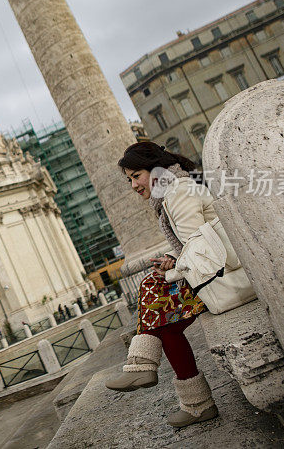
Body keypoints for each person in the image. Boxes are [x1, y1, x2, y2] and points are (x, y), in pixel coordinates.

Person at [105, 141, 218, 428]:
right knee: (160, 311)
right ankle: (185, 397)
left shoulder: (177, 192)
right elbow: (190, 244)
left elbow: (198, 247)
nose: (132, 185)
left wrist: (173, 265)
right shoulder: (172, 190)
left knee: (154, 294)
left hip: (221, 272)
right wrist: (171, 258)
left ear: (155, 169)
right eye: (129, 179)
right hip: (214, 267)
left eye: (135, 176)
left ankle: (146, 368)